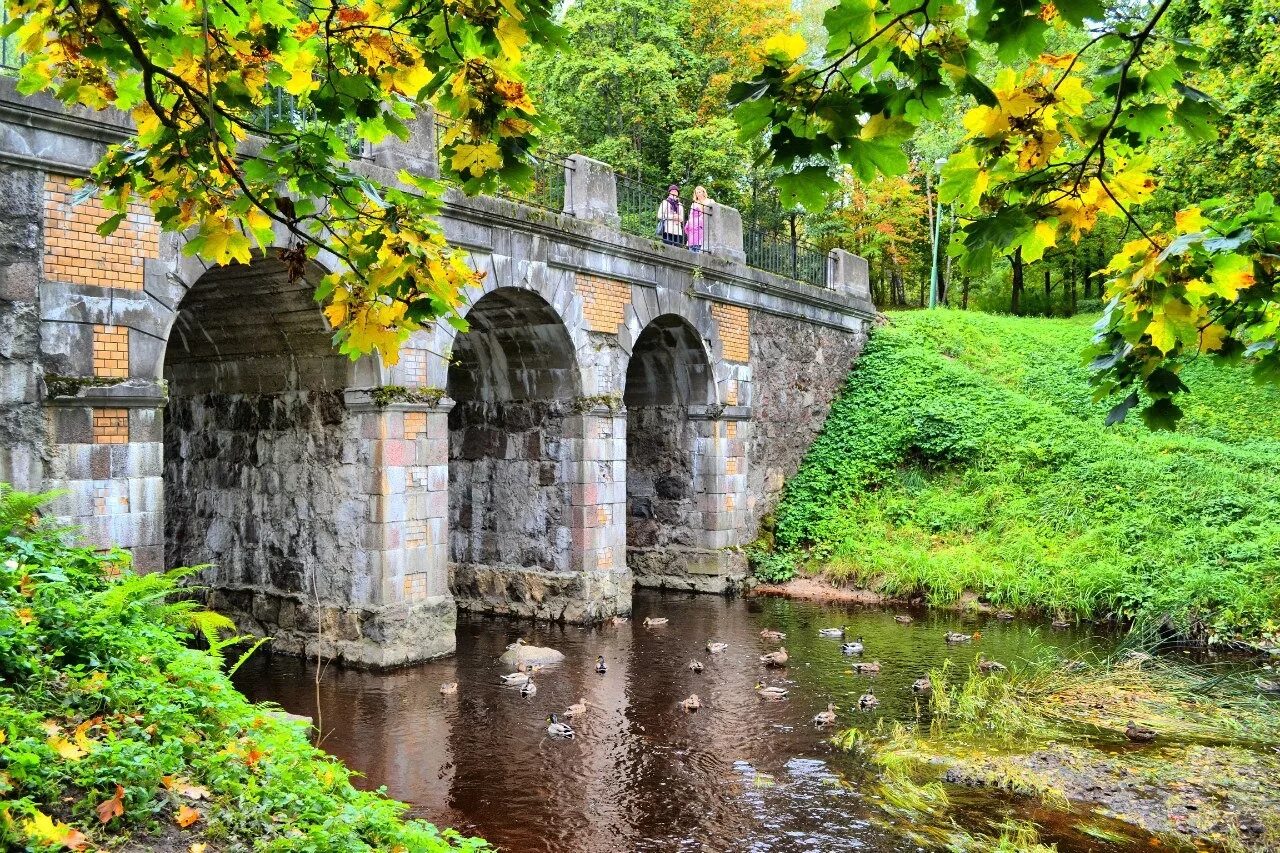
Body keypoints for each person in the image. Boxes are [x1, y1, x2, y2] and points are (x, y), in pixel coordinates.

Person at [686, 185, 710, 253]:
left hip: (705, 224)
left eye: (699, 192)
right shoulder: (694, 204)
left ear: (703, 192)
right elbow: (691, 216)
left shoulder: (709, 201)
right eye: (697, 193)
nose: (698, 194)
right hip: (695, 225)